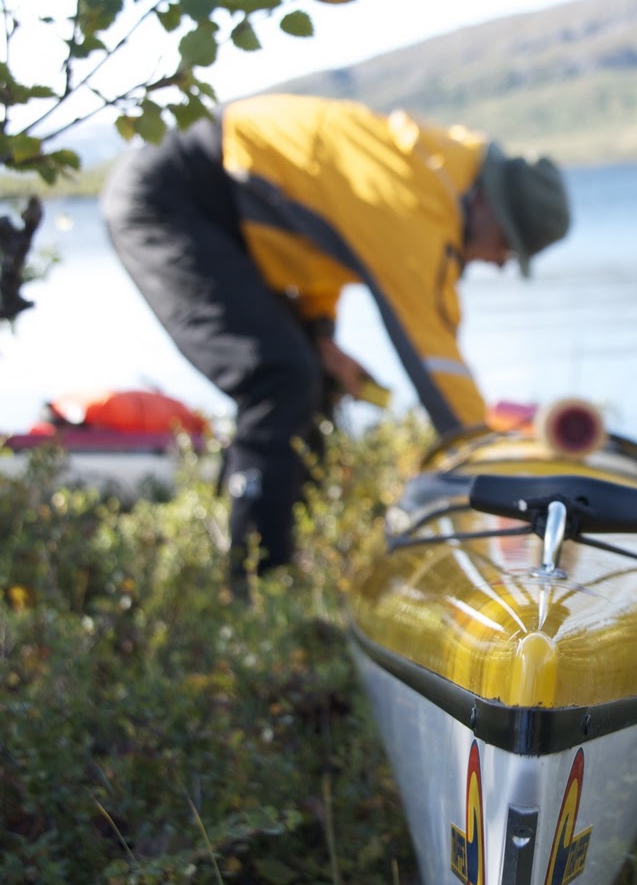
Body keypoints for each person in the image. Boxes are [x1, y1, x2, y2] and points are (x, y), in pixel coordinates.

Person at [101, 93, 571, 580]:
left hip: (227, 211)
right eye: (506, 245)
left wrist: (321, 335)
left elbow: (316, 241)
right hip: (175, 197)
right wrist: (494, 477)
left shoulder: (429, 173)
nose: (499, 263)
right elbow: (438, 365)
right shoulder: (418, 203)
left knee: (310, 375)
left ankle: (292, 558)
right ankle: (257, 583)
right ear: (488, 204)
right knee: (279, 378)